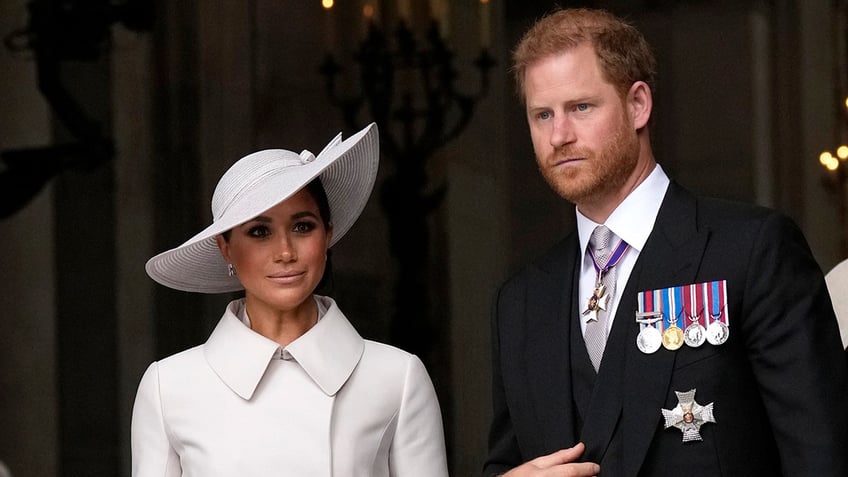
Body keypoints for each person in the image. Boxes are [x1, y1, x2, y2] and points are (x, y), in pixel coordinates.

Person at [483, 7, 848, 477]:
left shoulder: (752, 251)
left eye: (581, 107)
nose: (559, 135)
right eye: (542, 115)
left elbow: (822, 457)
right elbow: (506, 463)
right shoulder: (519, 303)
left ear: (638, 104)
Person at [131, 122, 449, 477]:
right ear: (226, 249)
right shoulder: (169, 387)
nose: (285, 252)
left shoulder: (397, 378)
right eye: (259, 231)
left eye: (302, 227)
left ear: (327, 234)